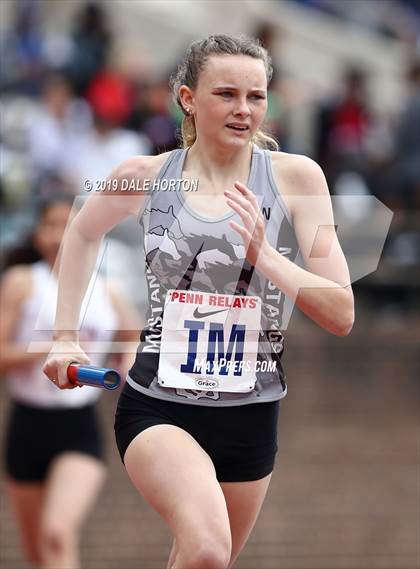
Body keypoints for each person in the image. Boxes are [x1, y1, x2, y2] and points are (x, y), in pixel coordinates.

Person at [42, 35, 354, 569]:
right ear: (188, 98)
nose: (243, 109)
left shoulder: (298, 178)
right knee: (209, 550)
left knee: (202, 559)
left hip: (252, 409)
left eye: (257, 97)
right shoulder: (141, 177)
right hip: (158, 402)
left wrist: (266, 255)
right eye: (226, 94)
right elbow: (80, 234)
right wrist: (64, 335)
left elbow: (341, 312)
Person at [1, 197, 140, 569]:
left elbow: (135, 338)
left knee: (57, 533)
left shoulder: (106, 290)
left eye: (69, 226)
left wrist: (126, 359)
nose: (59, 236)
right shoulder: (22, 282)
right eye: (51, 225)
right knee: (36, 555)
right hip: (27, 425)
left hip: (78, 427)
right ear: (37, 233)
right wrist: (53, 348)